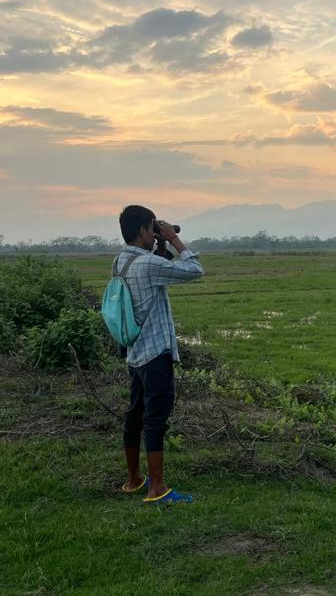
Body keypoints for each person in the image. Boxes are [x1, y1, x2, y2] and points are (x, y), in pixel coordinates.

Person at [115, 205, 203, 504]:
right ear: (142, 230)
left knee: (135, 415)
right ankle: (157, 488)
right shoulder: (147, 265)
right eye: (152, 228)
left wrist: (160, 245)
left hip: (135, 353)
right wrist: (175, 241)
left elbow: (155, 272)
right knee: (155, 419)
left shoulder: (122, 261)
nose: (156, 233)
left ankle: (133, 479)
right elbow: (194, 270)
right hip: (155, 353)